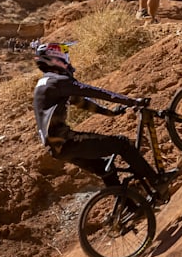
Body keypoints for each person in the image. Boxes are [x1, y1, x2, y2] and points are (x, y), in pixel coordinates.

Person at [30, 41, 173, 196]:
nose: (68, 59)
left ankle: (128, 207)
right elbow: (94, 92)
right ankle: (157, 181)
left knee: (105, 168)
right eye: (65, 55)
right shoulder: (57, 81)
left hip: (57, 149)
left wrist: (109, 113)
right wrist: (131, 101)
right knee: (122, 144)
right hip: (66, 142)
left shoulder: (45, 83)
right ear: (56, 58)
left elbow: (81, 102)